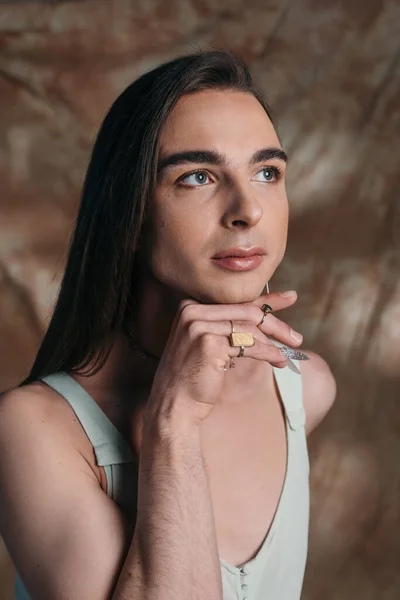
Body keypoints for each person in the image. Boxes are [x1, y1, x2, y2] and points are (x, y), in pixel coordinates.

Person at [0, 50, 336, 600]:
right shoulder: (32, 431)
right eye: (198, 176)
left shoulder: (305, 388)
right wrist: (172, 425)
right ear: (128, 213)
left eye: (267, 172)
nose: (247, 210)